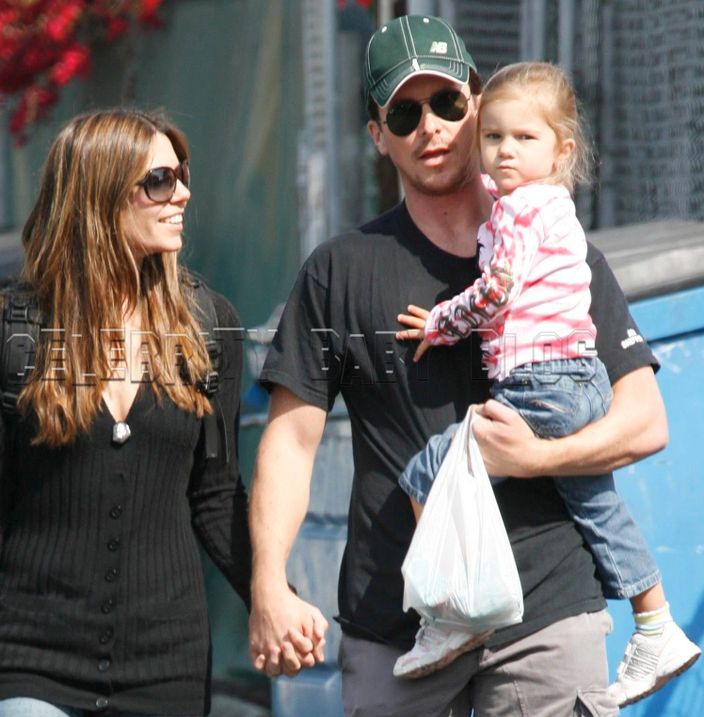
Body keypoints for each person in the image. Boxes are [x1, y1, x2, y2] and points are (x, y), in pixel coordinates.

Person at [248, 15, 675, 717]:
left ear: (478, 107)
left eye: (448, 103)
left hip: (547, 610)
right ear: (377, 135)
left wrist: (538, 456)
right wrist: (269, 582)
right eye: (405, 113)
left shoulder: (557, 247)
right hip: (401, 621)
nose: (431, 127)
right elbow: (291, 442)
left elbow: (644, 420)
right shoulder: (339, 270)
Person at [392, 61, 700, 699]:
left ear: (563, 150)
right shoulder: (558, 209)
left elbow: (495, 292)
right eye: (494, 136)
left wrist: (441, 324)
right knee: (594, 504)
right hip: (580, 378)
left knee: (427, 472)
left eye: (523, 139)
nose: (505, 150)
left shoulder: (518, 213)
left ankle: (447, 613)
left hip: (540, 383)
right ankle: (655, 622)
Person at [0, 109, 251, 717]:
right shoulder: (3, 331)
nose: (182, 192)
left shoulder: (207, 329)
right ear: (100, 196)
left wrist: (272, 597)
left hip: (166, 668)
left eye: (182, 175)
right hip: (29, 659)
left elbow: (215, 497)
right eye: (160, 180)